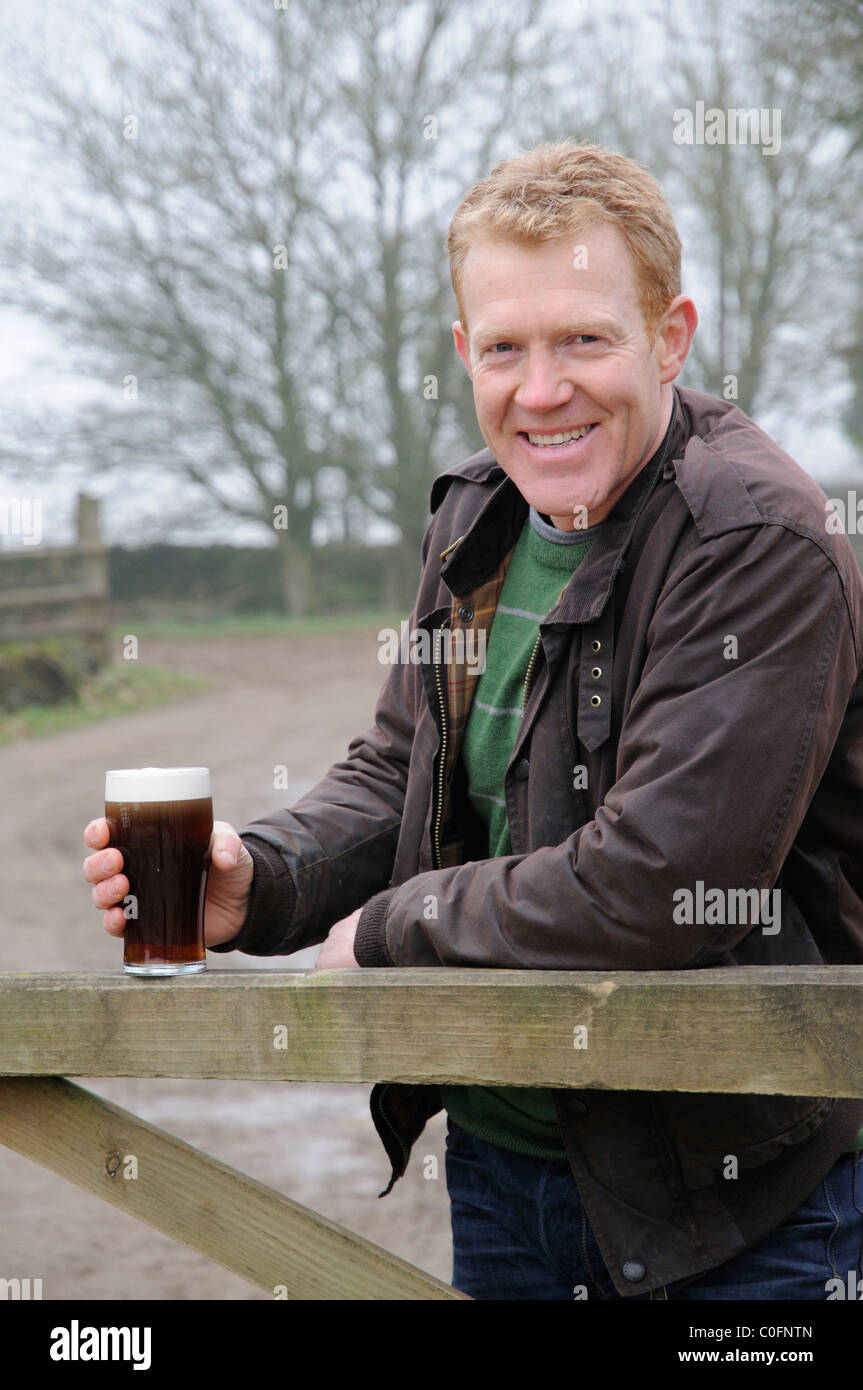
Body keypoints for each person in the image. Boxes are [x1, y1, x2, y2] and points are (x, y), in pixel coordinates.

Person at [83, 140, 863, 1301]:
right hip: (500, 1162)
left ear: (670, 334)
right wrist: (264, 873)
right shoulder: (472, 518)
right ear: (463, 352)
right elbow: (403, 770)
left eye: (583, 340)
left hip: (733, 1202)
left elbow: (662, 879)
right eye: (503, 347)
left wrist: (396, 927)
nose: (539, 390)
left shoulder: (750, 539)